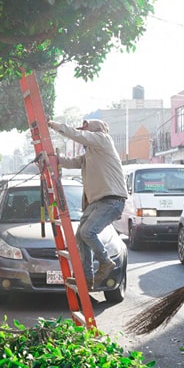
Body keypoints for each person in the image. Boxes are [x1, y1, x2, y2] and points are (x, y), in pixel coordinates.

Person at [46, 118, 128, 290]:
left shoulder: (103, 140)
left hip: (112, 200)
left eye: (86, 130)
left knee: (87, 232)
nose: (84, 136)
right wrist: (51, 159)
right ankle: (87, 278)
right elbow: (70, 162)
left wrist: (53, 125)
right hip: (98, 202)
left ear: (94, 131)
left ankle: (105, 262)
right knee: (80, 237)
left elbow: (79, 136)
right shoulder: (89, 155)